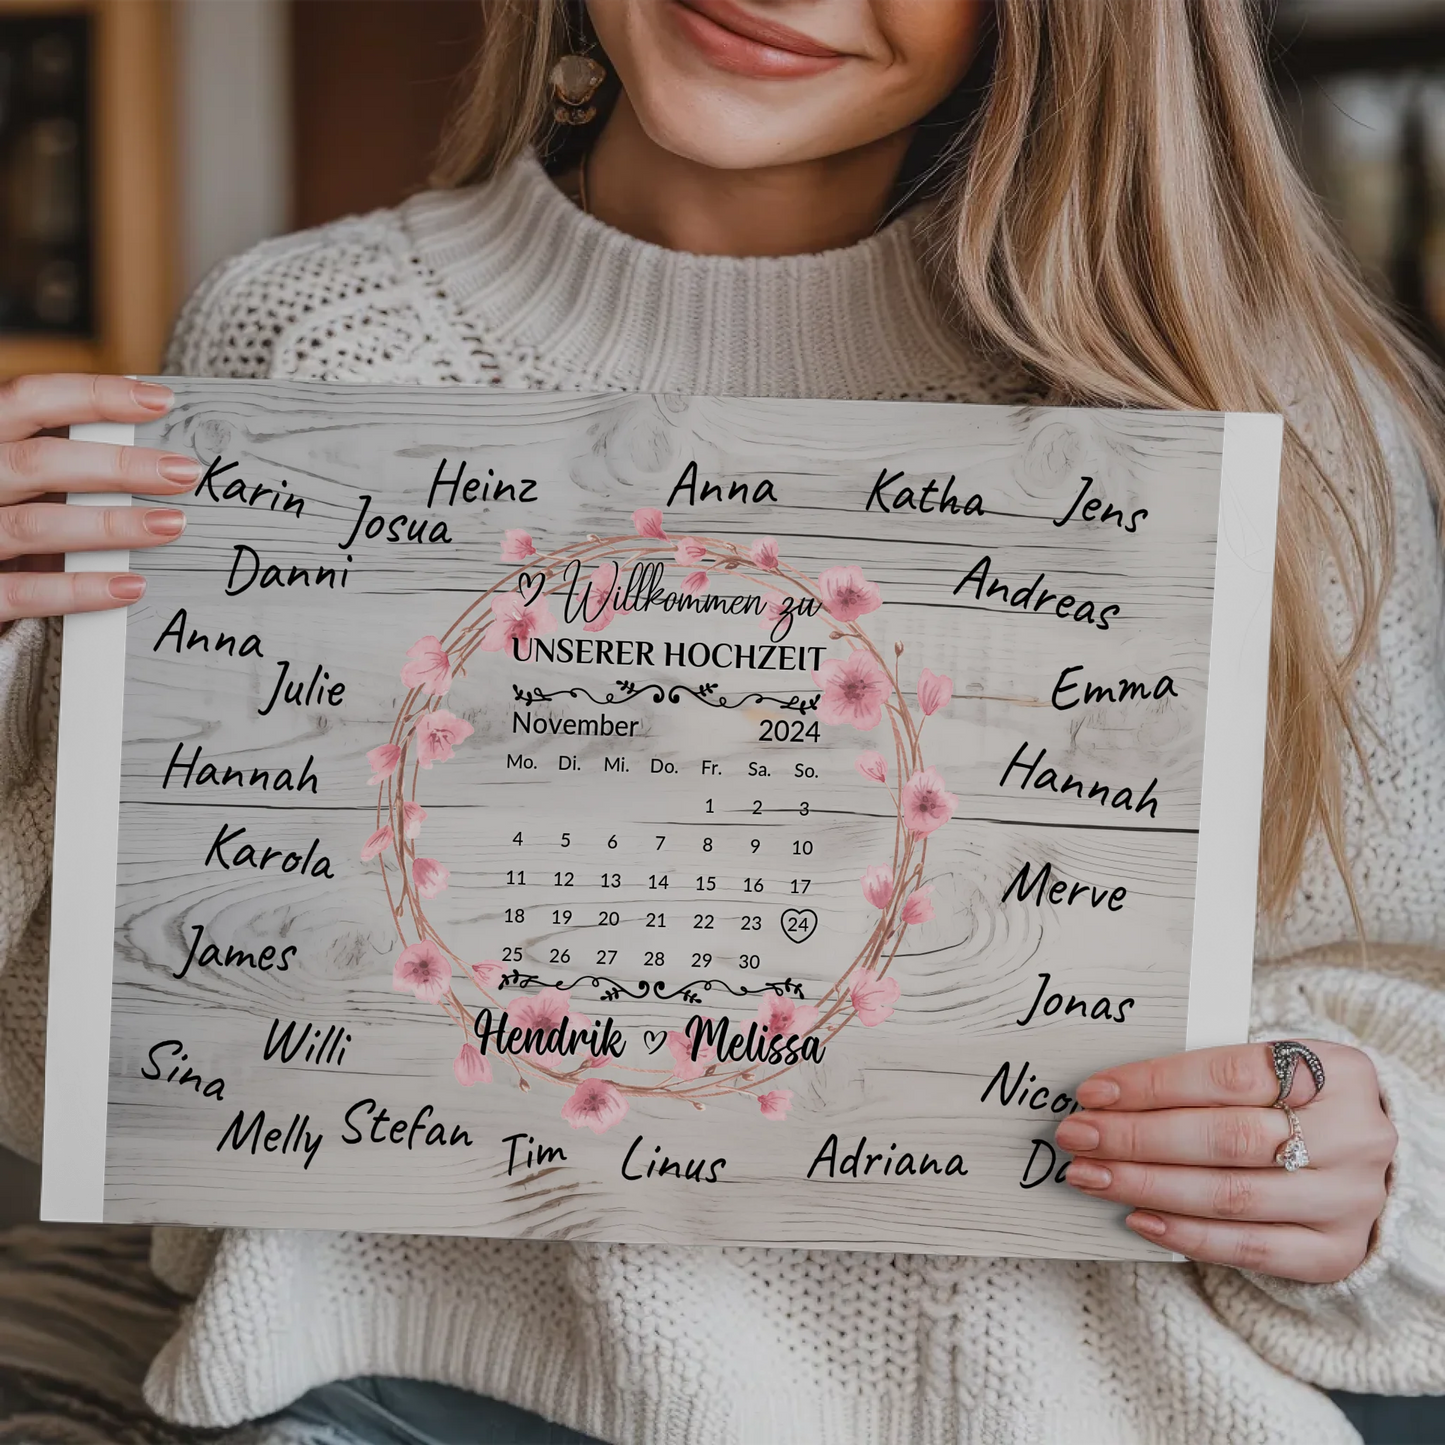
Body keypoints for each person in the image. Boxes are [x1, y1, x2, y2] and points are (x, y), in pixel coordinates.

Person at [1, 1, 1443, 1441]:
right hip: (402, 1399)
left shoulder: (1255, 398)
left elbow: (1402, 1029)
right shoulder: (298, 339)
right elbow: (78, 1061)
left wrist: (1369, 1172)